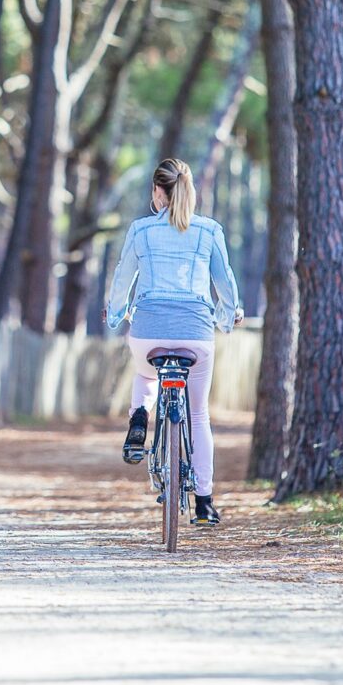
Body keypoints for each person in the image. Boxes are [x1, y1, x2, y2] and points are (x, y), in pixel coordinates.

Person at [104, 157, 244, 526]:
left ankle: (139, 418)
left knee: (145, 373)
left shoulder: (140, 230)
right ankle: (205, 503)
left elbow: (123, 278)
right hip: (195, 332)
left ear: (157, 191)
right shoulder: (209, 230)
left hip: (148, 328)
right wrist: (230, 315)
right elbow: (224, 281)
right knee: (198, 414)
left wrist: (115, 313)